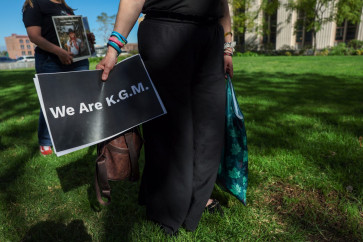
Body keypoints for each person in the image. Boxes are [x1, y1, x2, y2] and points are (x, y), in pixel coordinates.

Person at [97, 0, 234, 235]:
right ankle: (166, 209)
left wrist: (227, 47)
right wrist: (113, 50)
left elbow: (222, 3)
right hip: (165, 32)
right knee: (168, 128)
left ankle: (198, 200)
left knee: (209, 126)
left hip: (210, 37)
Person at [22, 0, 89, 155]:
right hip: (50, 60)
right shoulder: (34, 4)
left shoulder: (65, 7)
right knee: (51, 101)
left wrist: (86, 39)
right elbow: (34, 36)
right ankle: (46, 141)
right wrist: (59, 52)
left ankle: (75, 136)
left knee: (80, 99)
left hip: (78, 60)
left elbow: (71, 35)